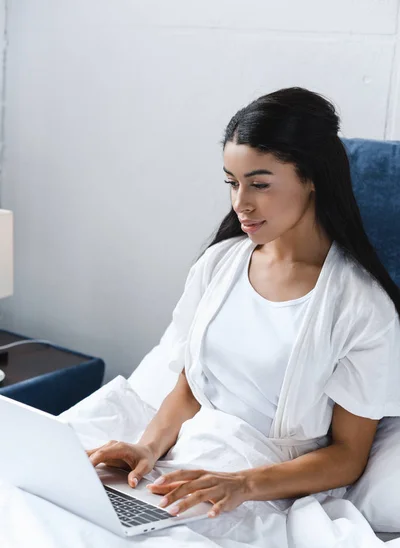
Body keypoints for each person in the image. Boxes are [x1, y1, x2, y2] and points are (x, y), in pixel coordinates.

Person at [88, 87, 400, 520]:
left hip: (260, 488)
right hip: (184, 463)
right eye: (232, 183)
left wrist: (241, 484)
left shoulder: (362, 307)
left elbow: (348, 456)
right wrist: (147, 446)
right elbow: (190, 387)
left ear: (312, 178)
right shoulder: (220, 264)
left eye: (259, 184)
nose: (241, 204)